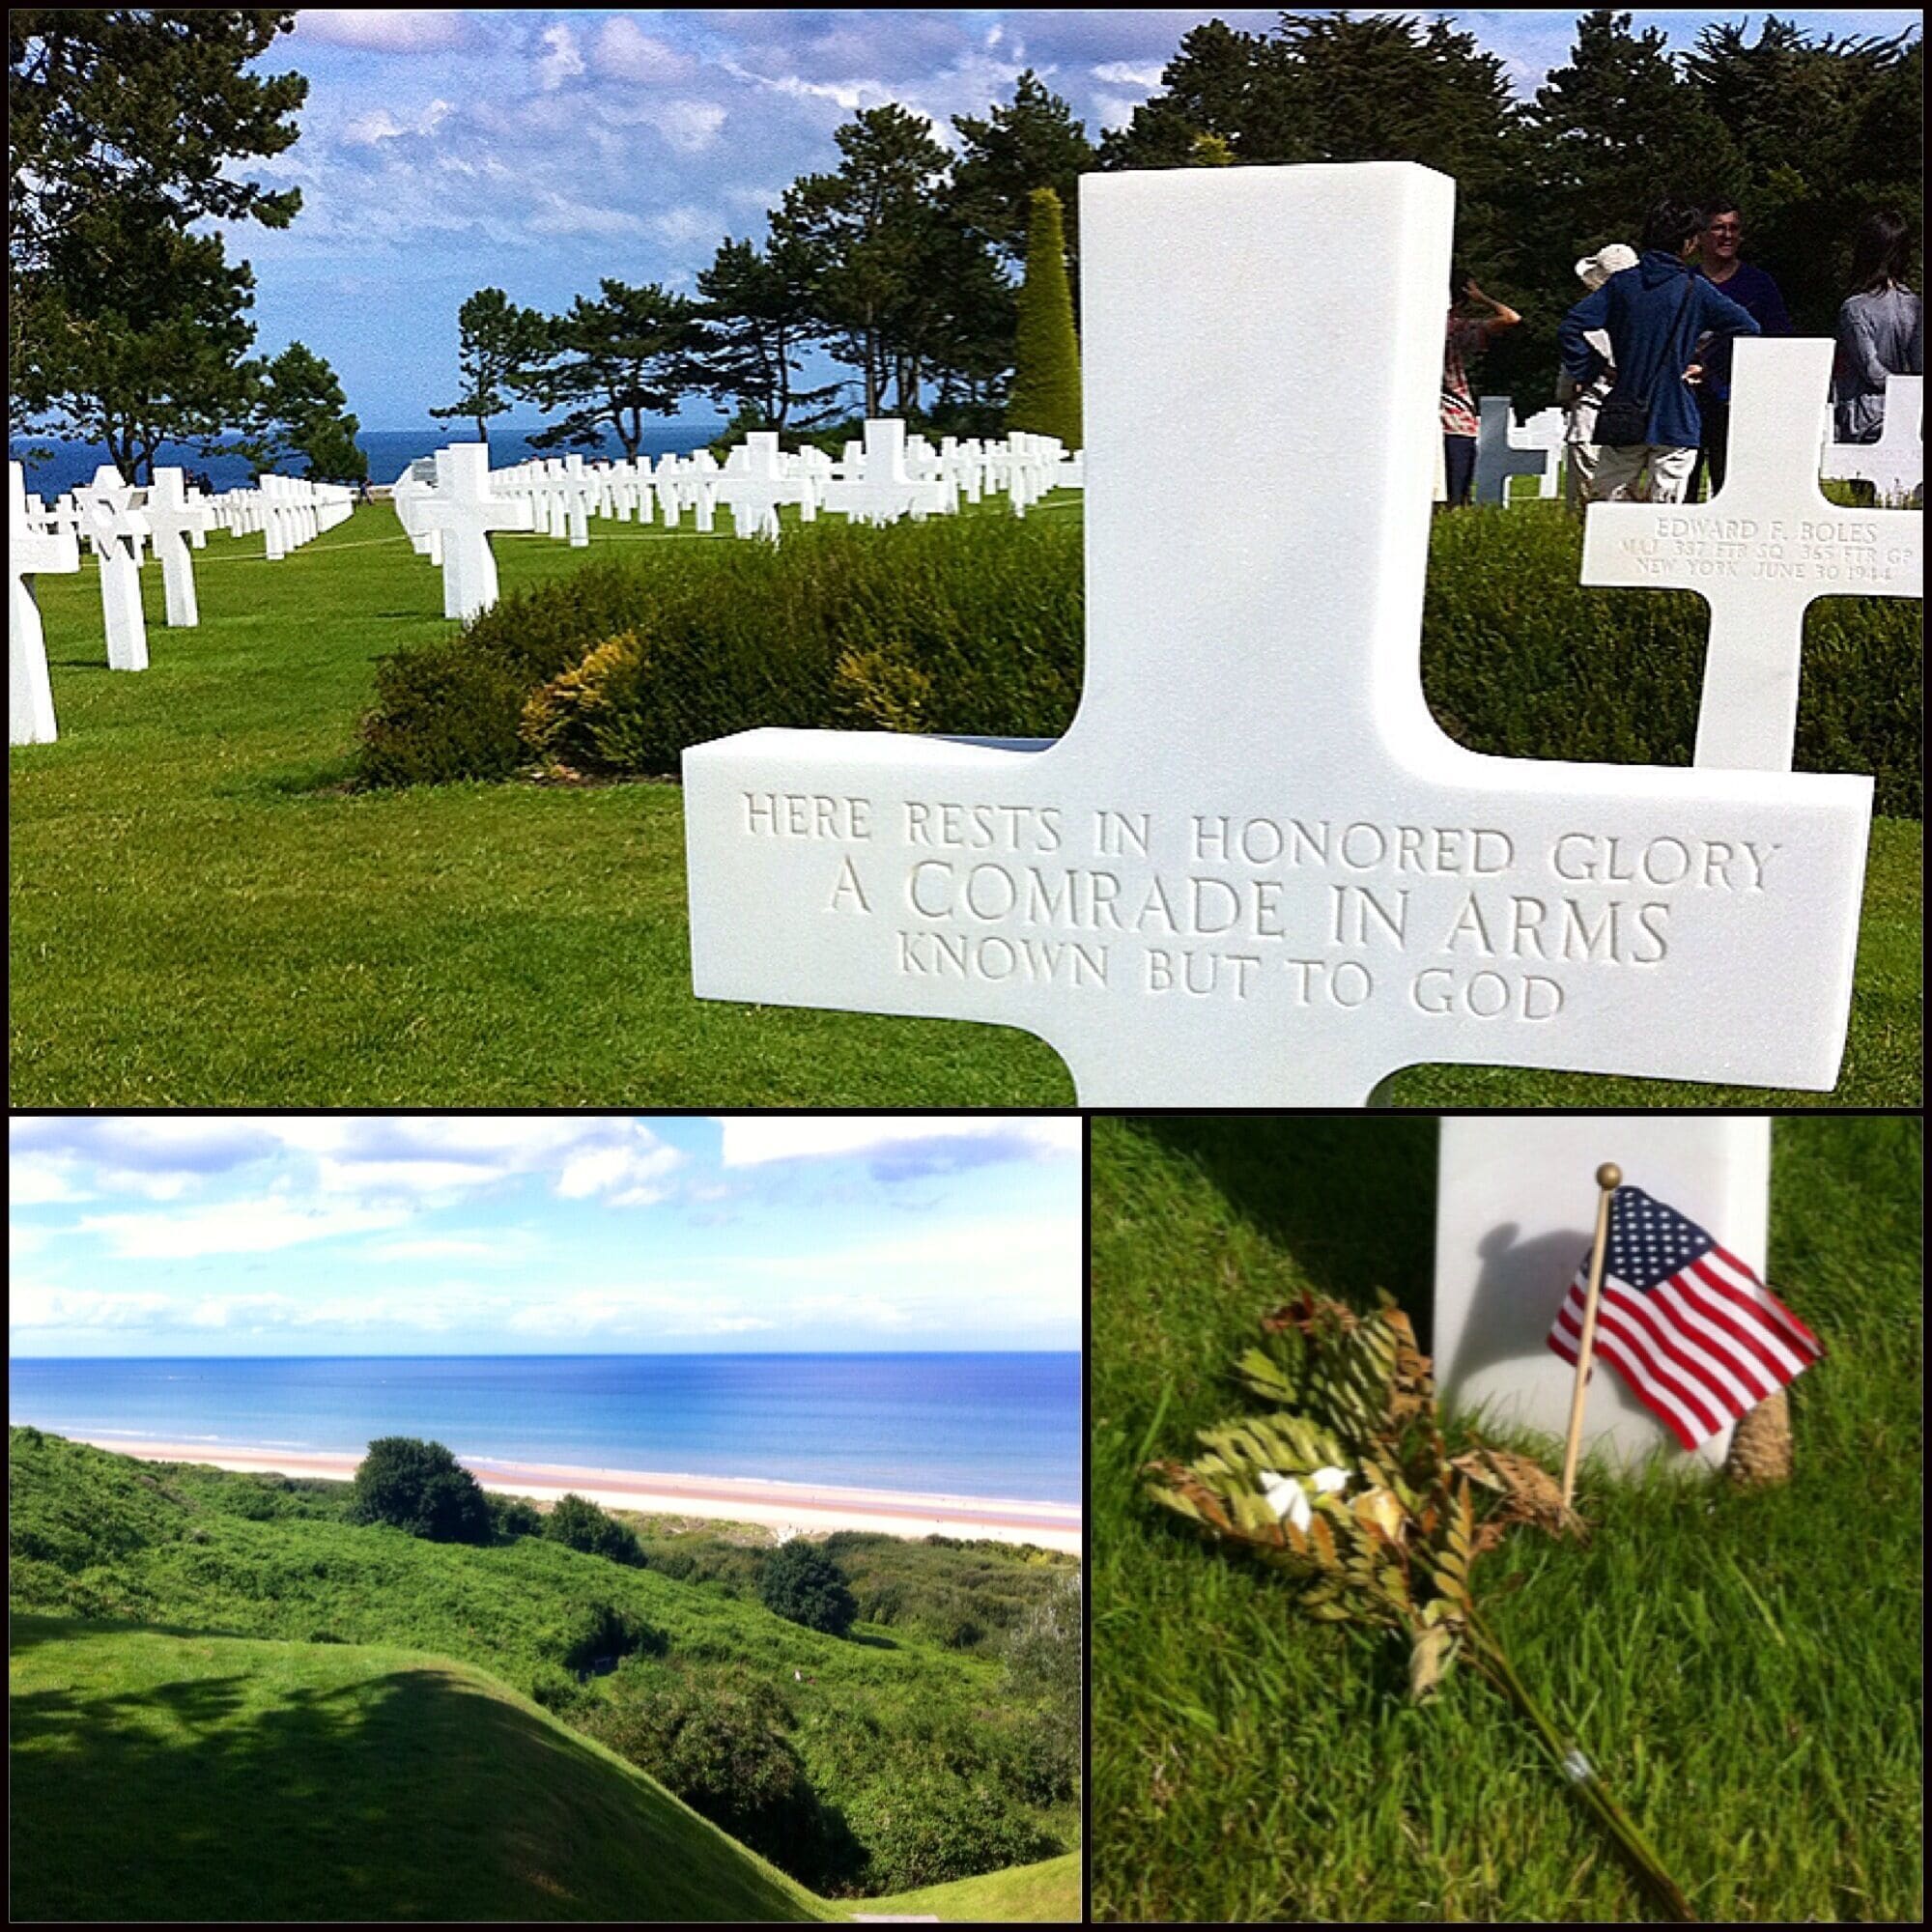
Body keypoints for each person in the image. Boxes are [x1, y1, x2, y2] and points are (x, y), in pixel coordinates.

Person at [1558, 200, 1758, 506]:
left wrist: (1595, 369)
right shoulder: (1695, 288)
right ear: (1689, 242)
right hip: (1675, 414)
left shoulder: (1621, 284)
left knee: (1609, 510)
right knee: (1666, 514)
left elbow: (1572, 327)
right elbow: (1747, 328)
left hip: (1624, 408)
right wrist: (1708, 365)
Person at [1688, 200, 1793, 497]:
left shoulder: (1759, 284)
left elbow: (1779, 340)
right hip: (1689, 399)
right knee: (1684, 483)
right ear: (1701, 236)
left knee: (1731, 486)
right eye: (1718, 228)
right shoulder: (1686, 283)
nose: (1727, 235)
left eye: (1733, 228)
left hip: (1738, 400)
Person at [1832, 209, 1922, 447]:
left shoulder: (1855, 308)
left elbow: (1871, 369)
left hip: (1865, 420)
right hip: (1909, 418)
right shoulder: (1914, 304)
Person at [1556, 243, 1638, 509]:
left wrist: (1567, 393)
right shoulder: (1642, 317)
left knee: (1590, 478)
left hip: (1595, 405)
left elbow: (1572, 370)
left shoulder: (1588, 319)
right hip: (1628, 409)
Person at [1440, 268, 1520, 507]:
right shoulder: (1455, 328)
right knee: (1456, 497)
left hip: (1431, 422)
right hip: (1456, 420)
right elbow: (1511, 318)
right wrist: (1483, 298)